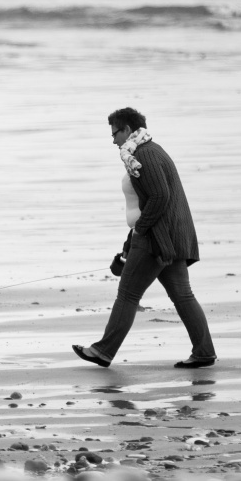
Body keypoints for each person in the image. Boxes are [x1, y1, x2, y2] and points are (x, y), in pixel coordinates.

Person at [73, 107, 217, 369]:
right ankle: (204, 352)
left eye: (115, 133)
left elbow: (160, 197)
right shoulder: (148, 151)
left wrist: (140, 230)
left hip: (154, 237)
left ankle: (104, 351)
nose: (113, 139)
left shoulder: (144, 155)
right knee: (183, 296)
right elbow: (152, 199)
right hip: (168, 236)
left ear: (127, 129)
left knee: (127, 294)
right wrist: (131, 240)